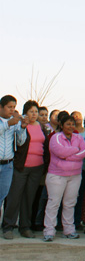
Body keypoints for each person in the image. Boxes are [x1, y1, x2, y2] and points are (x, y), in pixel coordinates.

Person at [43, 115, 85, 241]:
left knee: (70, 203)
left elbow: (83, 152)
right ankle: (49, 231)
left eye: (72, 124)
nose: (71, 127)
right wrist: (74, 150)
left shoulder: (79, 138)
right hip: (57, 176)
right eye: (68, 124)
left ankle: (69, 229)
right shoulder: (55, 138)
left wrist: (68, 155)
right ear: (61, 125)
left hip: (75, 176)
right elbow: (59, 152)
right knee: (53, 203)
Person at [3, 100, 42, 239]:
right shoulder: (19, 124)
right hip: (21, 166)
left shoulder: (42, 126)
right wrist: (23, 126)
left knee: (29, 198)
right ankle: (8, 226)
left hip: (37, 168)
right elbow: (18, 142)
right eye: (31, 111)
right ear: (25, 112)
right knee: (14, 197)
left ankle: (25, 227)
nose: (34, 114)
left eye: (36, 111)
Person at [0, 95, 28, 239]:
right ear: (1, 107)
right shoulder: (8, 122)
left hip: (8, 165)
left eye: (14, 107)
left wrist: (22, 128)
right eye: (9, 107)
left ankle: (7, 227)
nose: (12, 110)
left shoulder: (14, 122)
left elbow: (21, 142)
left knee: (4, 196)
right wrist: (8, 124)